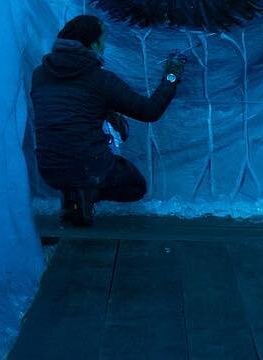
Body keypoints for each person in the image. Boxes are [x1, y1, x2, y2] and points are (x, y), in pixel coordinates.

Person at [30, 14, 185, 226]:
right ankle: (87, 193)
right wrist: (171, 77)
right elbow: (149, 111)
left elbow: (68, 106)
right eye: (103, 41)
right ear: (92, 44)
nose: (104, 47)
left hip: (49, 168)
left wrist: (105, 109)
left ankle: (74, 195)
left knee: (75, 162)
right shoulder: (100, 79)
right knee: (135, 186)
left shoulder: (39, 75)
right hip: (89, 166)